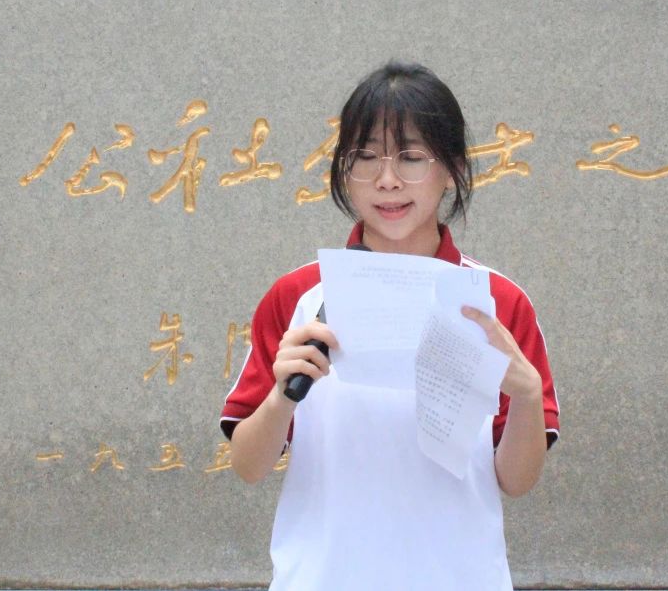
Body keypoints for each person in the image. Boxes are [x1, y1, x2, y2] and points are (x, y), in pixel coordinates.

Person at [220, 61, 559, 591]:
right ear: (343, 171)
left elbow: (516, 480)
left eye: (411, 157)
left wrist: (527, 394)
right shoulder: (297, 297)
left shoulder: (499, 303)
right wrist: (282, 399)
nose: (387, 180)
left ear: (451, 167)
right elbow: (248, 466)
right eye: (365, 157)